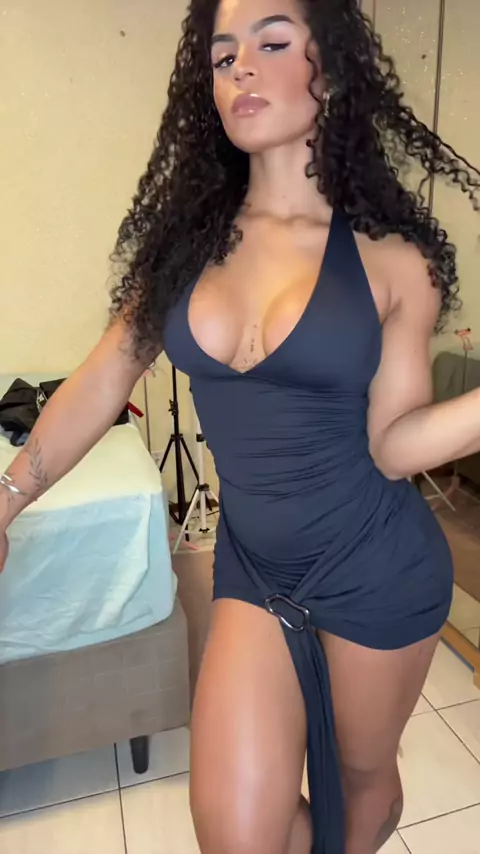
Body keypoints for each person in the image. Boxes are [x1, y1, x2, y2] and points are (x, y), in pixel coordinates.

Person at [1, 0, 480, 851]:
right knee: (234, 830)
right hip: (255, 565)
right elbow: (104, 378)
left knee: (359, 789)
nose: (242, 69)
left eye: (272, 42)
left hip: (376, 566)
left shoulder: (392, 257)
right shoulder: (184, 247)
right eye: (223, 57)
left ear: (329, 69)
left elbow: (393, 444)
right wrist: (6, 498)